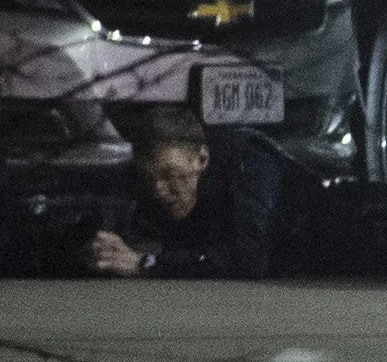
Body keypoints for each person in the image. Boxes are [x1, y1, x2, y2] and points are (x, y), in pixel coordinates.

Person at [86, 105, 283, 279]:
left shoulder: (251, 166)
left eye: (169, 174)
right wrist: (98, 250)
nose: (158, 190)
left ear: (201, 159)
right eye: (149, 177)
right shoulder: (141, 180)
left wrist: (146, 263)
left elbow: (247, 258)